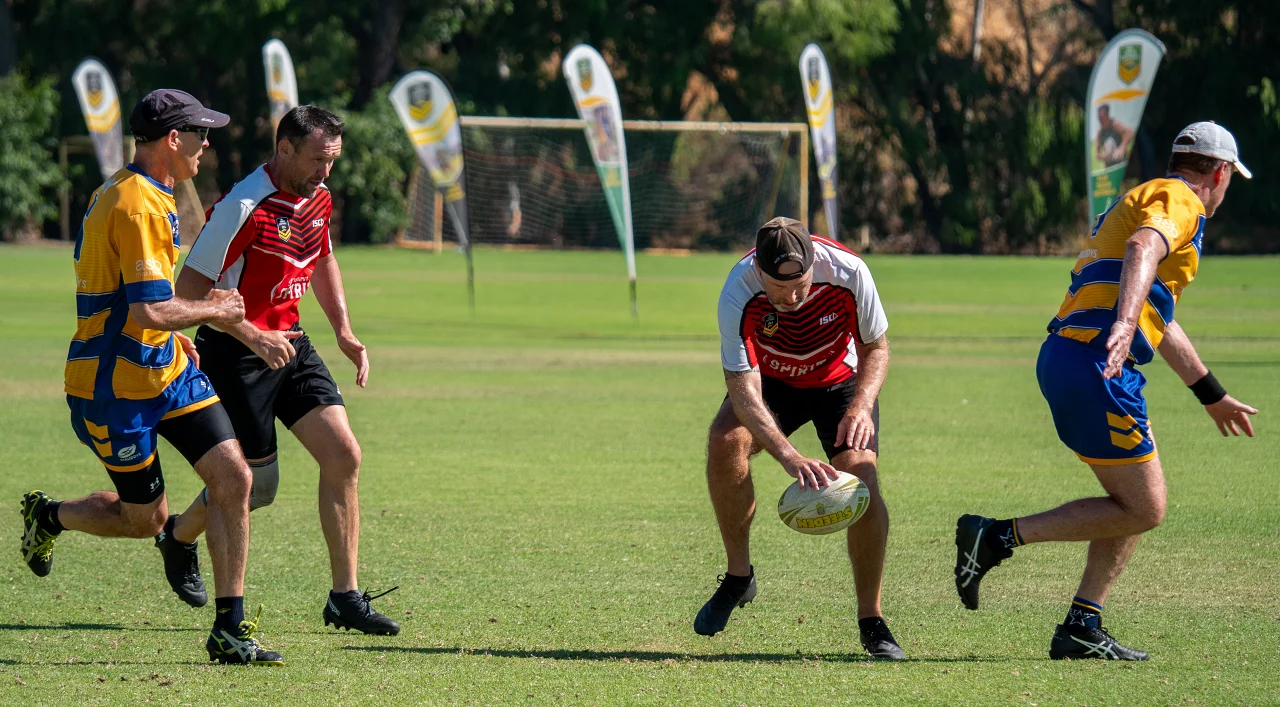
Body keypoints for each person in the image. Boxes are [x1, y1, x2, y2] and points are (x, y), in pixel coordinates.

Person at [954, 122, 1258, 660]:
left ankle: (1082, 625)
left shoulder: (1145, 195)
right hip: (1096, 363)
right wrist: (1123, 321)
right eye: (1230, 177)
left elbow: (1159, 317)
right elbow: (1143, 247)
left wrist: (1210, 393)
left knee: (1132, 500)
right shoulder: (1181, 200)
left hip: (1076, 358)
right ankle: (995, 537)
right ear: (1219, 172)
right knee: (1146, 507)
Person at [20, 89, 284, 666]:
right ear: (172, 138)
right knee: (147, 520)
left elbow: (147, 304)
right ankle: (50, 515)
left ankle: (230, 628)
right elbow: (147, 310)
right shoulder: (137, 205)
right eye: (200, 134)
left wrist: (178, 331)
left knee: (234, 478)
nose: (206, 145)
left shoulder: (145, 192)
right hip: (114, 389)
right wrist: (215, 310)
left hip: (166, 371)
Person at [155, 105, 398, 635]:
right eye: (317, 160)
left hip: (290, 344)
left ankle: (344, 597)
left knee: (344, 453)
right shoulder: (241, 207)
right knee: (258, 487)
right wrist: (253, 335)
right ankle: (177, 536)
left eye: (332, 161)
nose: (325, 172)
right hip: (235, 353)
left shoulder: (318, 196)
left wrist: (343, 331)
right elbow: (188, 292)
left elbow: (322, 258)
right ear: (284, 148)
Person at [697, 217, 902, 659]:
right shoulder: (738, 290)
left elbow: (877, 348)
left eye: (801, 285)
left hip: (841, 381)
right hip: (771, 382)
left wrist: (861, 405)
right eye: (779, 288)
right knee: (725, 441)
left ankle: (872, 620)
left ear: (813, 265)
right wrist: (788, 455)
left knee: (861, 479)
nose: (792, 298)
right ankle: (739, 577)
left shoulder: (849, 271)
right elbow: (743, 387)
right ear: (759, 270)